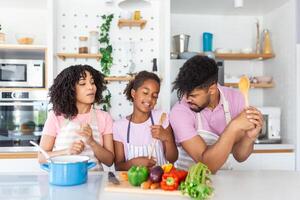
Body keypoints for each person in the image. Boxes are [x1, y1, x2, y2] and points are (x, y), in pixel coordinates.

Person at [170, 55, 263, 173]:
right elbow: (207, 166)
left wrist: (250, 137)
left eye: (193, 95)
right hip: (188, 181)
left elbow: (239, 156)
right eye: (184, 93)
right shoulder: (180, 111)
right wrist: (233, 127)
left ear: (212, 89)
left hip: (224, 179)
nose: (187, 99)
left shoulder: (236, 99)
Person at [38, 65, 114, 171]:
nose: (91, 87)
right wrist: (66, 152)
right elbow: (41, 158)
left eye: (92, 82)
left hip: (95, 182)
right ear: (70, 89)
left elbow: (109, 161)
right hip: (64, 181)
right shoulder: (56, 117)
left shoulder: (104, 117)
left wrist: (91, 141)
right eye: (83, 83)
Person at [113, 71, 178, 170]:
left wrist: (167, 137)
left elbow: (173, 158)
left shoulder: (161, 117)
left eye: (154, 95)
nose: (149, 98)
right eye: (145, 92)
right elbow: (118, 166)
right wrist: (133, 163)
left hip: (160, 182)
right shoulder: (119, 126)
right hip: (133, 184)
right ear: (133, 93)